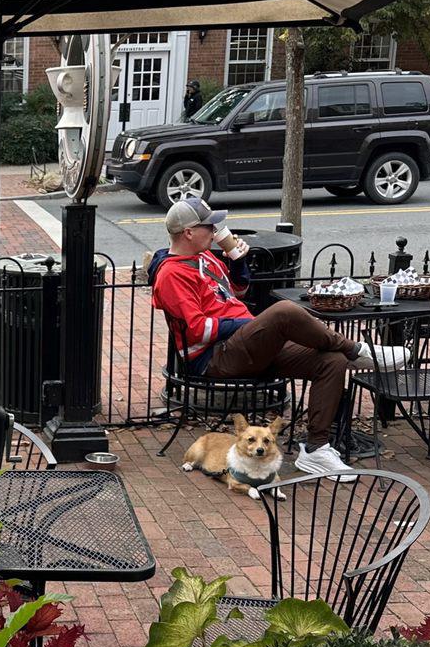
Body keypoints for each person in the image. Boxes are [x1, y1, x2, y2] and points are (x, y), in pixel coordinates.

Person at [149, 196, 408, 478]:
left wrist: (236, 258)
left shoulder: (204, 256)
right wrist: (247, 325)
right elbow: (200, 330)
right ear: (188, 232)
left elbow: (238, 291)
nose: (215, 231)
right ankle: (357, 350)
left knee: (331, 360)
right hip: (215, 357)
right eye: (210, 226)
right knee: (284, 311)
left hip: (245, 349)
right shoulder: (171, 274)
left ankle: (316, 450)